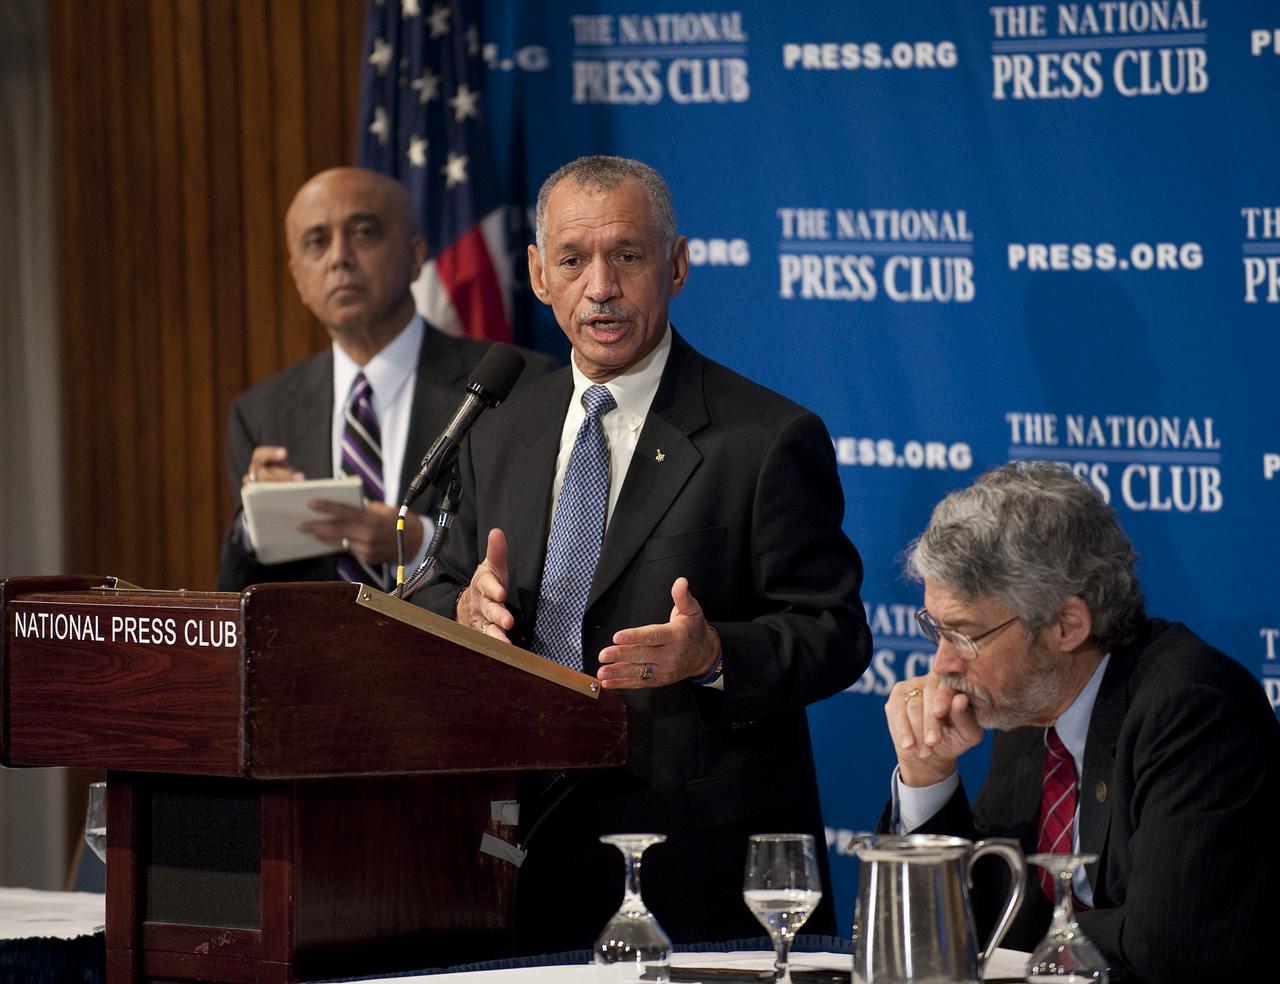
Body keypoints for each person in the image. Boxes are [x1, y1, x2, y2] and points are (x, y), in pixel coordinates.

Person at [415, 155, 871, 952]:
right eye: (573, 259)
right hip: (517, 851)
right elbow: (440, 583)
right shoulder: (498, 425)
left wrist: (714, 654)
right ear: (537, 274)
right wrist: (461, 606)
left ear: (677, 264)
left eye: (626, 255)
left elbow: (834, 631)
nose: (600, 286)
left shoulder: (764, 439)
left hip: (693, 868)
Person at [884, 461, 1280, 984]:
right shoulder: (1029, 700)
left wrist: (1033, 945)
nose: (942, 664)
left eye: (963, 635)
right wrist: (926, 773)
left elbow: (1169, 940)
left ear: (1066, 625)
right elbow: (961, 928)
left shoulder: (1193, 709)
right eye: (937, 629)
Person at [216, 167, 557, 592]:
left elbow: (539, 556)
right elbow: (236, 599)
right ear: (298, 277)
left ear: (415, 256)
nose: (339, 257)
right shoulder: (260, 413)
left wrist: (419, 544)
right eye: (317, 242)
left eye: (364, 233)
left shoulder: (513, 387)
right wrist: (254, 522)